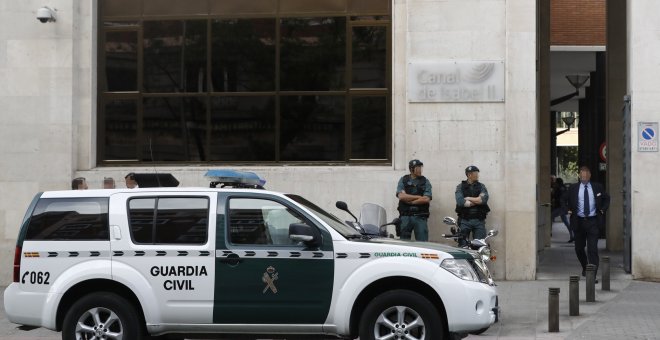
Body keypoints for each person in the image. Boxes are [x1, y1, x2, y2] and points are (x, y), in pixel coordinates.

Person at [563, 165, 610, 281]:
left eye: (586, 176)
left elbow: (606, 198)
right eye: (582, 176)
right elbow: (563, 199)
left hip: (593, 221)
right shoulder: (573, 188)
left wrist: (603, 210)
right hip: (578, 222)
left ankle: (592, 276)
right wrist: (567, 209)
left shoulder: (597, 187)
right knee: (579, 248)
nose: (584, 178)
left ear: (589, 176)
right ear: (579, 176)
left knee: (592, 249)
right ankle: (585, 267)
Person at [396, 159, 432, 241]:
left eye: (420, 167)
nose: (420, 170)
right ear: (412, 169)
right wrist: (419, 197)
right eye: (418, 168)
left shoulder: (425, 181)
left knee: (423, 243)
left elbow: (426, 198)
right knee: (403, 243)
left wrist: (410, 201)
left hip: (420, 216)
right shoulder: (403, 180)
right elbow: (401, 196)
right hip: (405, 216)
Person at [455, 165, 490, 247]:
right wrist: (477, 200)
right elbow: (461, 202)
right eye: (476, 173)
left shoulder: (481, 186)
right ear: (469, 175)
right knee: (463, 245)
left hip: (479, 220)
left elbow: (483, 200)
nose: (478, 175)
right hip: (464, 220)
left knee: (480, 245)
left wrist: (469, 198)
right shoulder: (460, 187)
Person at [551, 177, 573, 242]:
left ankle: (573, 235)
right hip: (562, 207)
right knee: (566, 222)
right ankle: (572, 236)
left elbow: (557, 197)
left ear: (558, 183)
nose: (555, 183)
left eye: (556, 182)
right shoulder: (563, 188)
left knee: (549, 217)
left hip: (560, 207)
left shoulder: (560, 189)